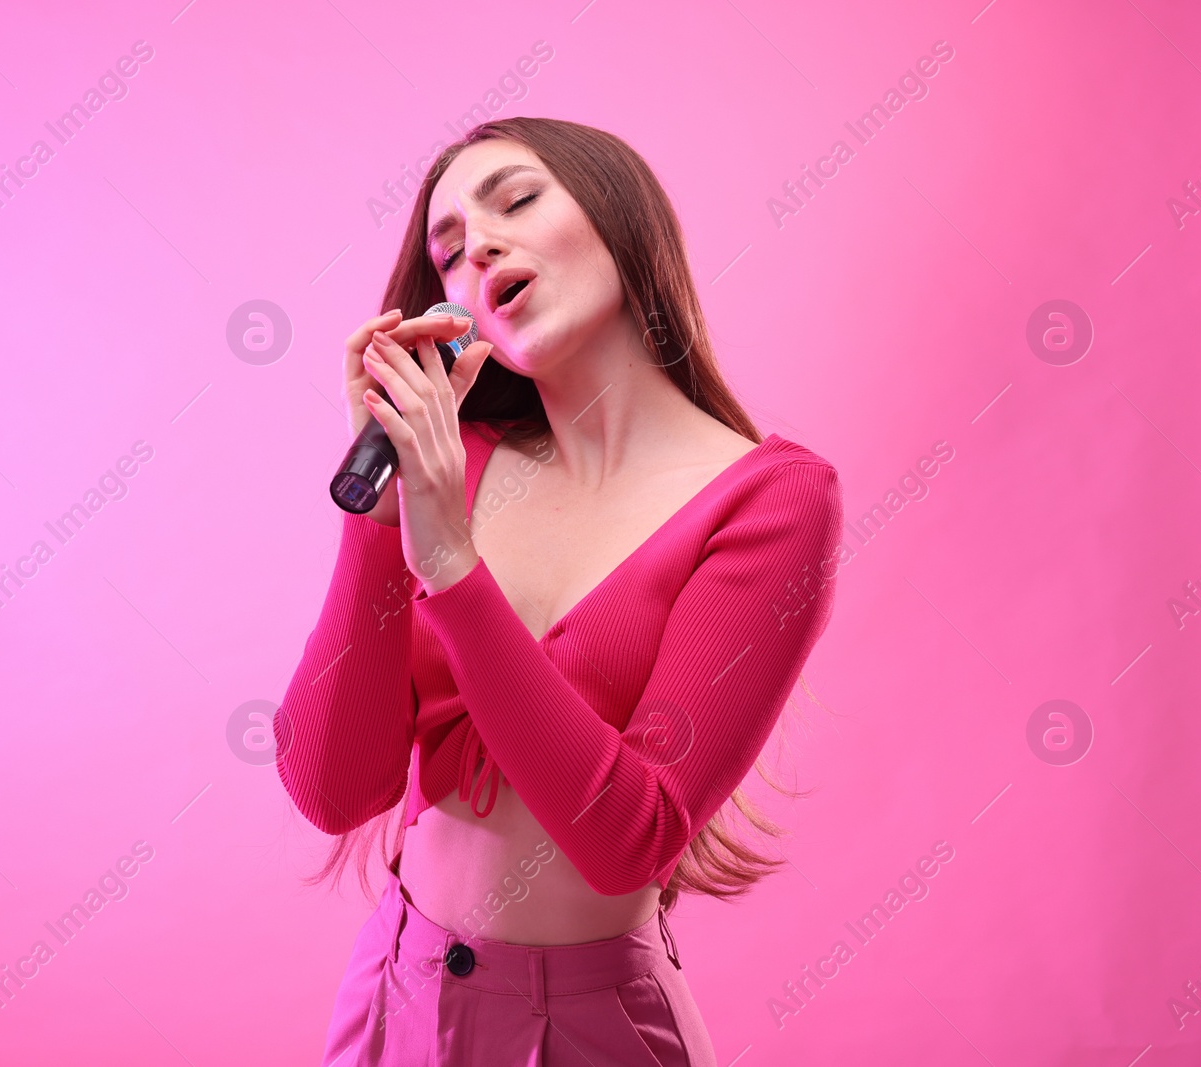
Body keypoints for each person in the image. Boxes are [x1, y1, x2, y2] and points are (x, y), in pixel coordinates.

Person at [275, 117, 843, 1066]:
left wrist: (452, 566)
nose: (478, 248)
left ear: (624, 218)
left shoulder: (772, 501)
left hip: (586, 1028)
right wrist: (380, 511)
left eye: (517, 199)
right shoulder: (456, 468)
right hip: (393, 995)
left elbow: (632, 838)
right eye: (447, 253)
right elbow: (334, 787)